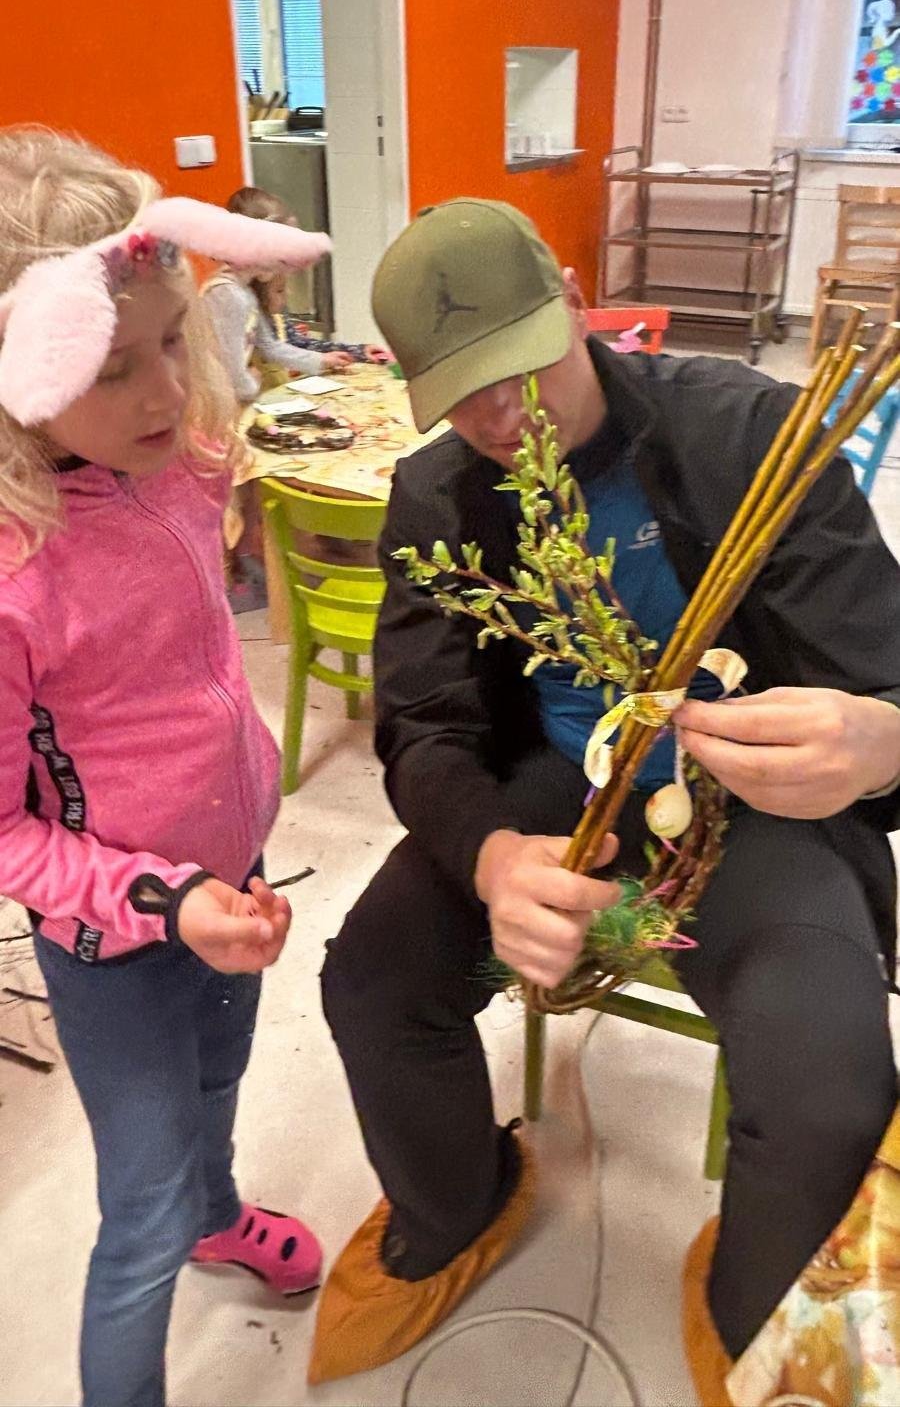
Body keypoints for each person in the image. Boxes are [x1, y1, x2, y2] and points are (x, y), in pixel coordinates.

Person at [310, 198, 900, 1398]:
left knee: (828, 1084)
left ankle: (750, 1308)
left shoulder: (748, 431)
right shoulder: (438, 493)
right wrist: (491, 858)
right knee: (373, 978)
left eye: (521, 369)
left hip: (752, 803)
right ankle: (456, 1205)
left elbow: (883, 669)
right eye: (462, 396)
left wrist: (885, 738)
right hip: (554, 786)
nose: (501, 418)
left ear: (576, 301)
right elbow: (425, 723)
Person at [0, 129, 329, 1407]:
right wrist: (164, 900)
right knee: (137, 1207)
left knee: (221, 1081)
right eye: (112, 366)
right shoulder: (15, 576)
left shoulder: (181, 464)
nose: (163, 393)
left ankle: (218, 1213)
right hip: (117, 945)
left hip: (233, 878)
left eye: (174, 342)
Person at [202, 185, 353, 402]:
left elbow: (269, 346)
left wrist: (320, 360)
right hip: (222, 403)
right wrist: (253, 384)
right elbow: (231, 372)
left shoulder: (244, 291)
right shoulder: (227, 294)